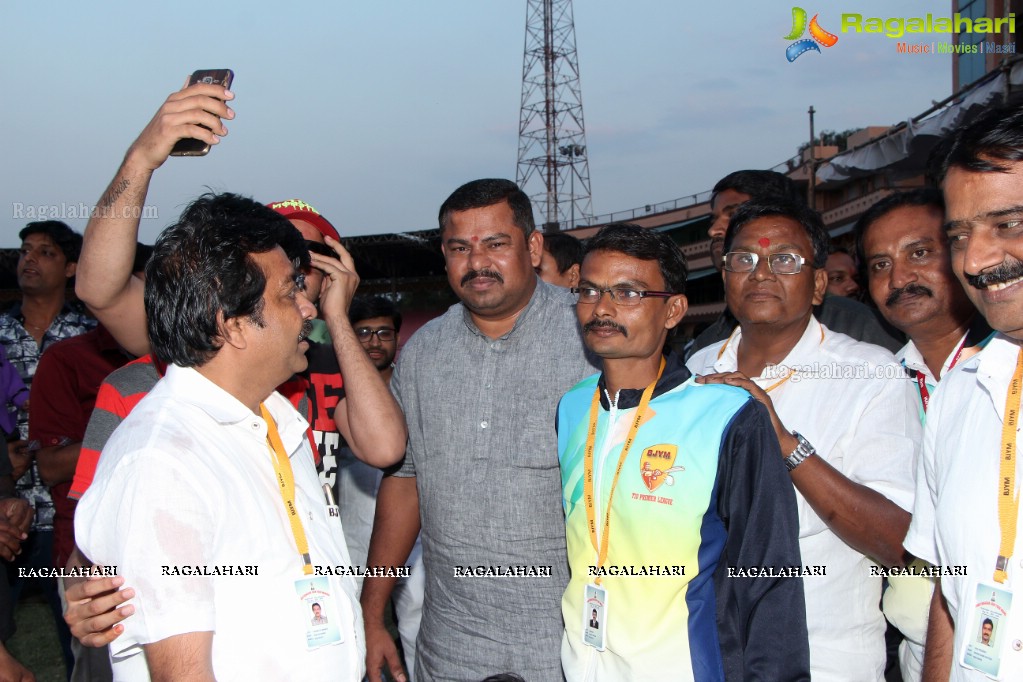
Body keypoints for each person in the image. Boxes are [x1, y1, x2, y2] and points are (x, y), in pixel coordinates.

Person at [75, 192, 367, 679]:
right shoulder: (163, 459)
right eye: (288, 293)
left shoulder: (276, 422)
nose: (307, 310)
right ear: (230, 325)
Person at [361, 179, 598, 682]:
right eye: (459, 248)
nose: (477, 263)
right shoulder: (423, 352)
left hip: (570, 646)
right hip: (451, 647)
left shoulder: (591, 339)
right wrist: (372, 606)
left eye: (495, 244)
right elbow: (404, 484)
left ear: (533, 248)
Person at [559, 223, 808, 680]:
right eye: (589, 291)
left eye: (629, 293)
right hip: (581, 663)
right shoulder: (573, 406)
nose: (603, 308)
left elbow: (771, 578)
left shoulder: (728, 416)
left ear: (673, 309)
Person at [688, 196, 919, 681]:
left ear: (817, 285)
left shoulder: (868, 374)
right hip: (704, 647)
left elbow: (897, 540)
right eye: (743, 260)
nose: (761, 273)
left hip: (824, 658)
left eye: (784, 260)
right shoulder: (695, 372)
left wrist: (785, 444)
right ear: (725, 275)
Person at [903, 104, 1023, 681]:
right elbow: (949, 598)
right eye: (959, 235)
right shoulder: (960, 393)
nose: (976, 261)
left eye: (1009, 224)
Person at [855, 187, 990, 682]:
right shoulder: (878, 385)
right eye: (880, 264)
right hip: (918, 654)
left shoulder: (1005, 367)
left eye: (920, 253)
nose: (900, 278)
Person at [0, 219, 93, 673]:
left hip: (69, 511)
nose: (30, 260)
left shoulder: (94, 337)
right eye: (25, 251)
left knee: (82, 642)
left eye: (46, 252)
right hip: (6, 512)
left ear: (72, 267)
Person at [687, 169, 903, 357]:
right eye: (713, 219)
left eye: (733, 214)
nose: (713, 230)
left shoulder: (858, 327)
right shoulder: (705, 349)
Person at [337, 295, 424, 680]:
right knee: (352, 630)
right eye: (364, 333)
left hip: (415, 538)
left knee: (417, 624)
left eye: (383, 333)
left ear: (397, 338)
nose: (374, 342)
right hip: (354, 538)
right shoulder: (334, 394)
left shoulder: (417, 389)